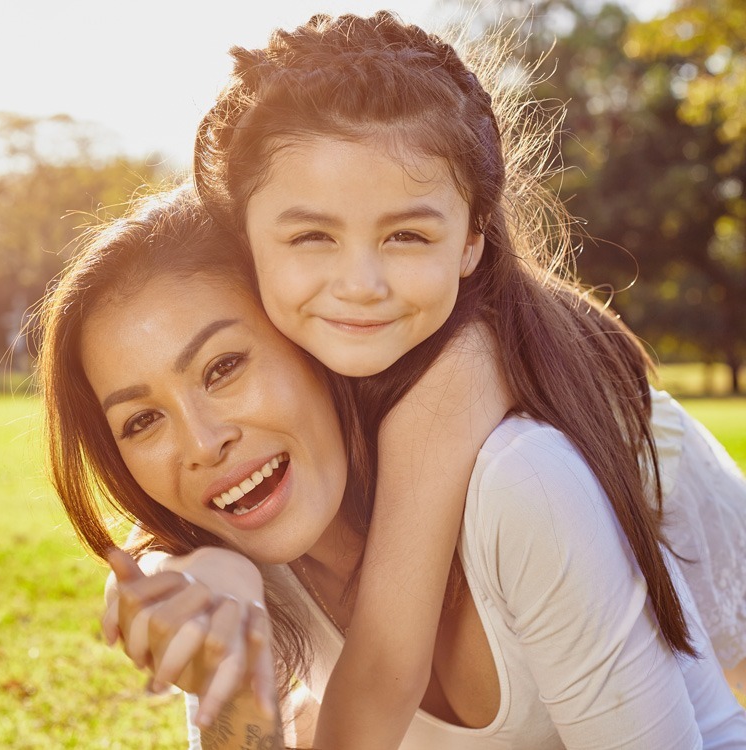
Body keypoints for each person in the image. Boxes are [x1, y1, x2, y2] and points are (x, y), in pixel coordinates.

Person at [102, 10, 746, 749]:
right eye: (313, 236)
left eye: (406, 235)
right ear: (243, 242)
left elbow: (383, 668)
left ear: (474, 238)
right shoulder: (271, 456)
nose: (361, 285)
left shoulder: (465, 383)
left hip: (655, 491)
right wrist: (180, 571)